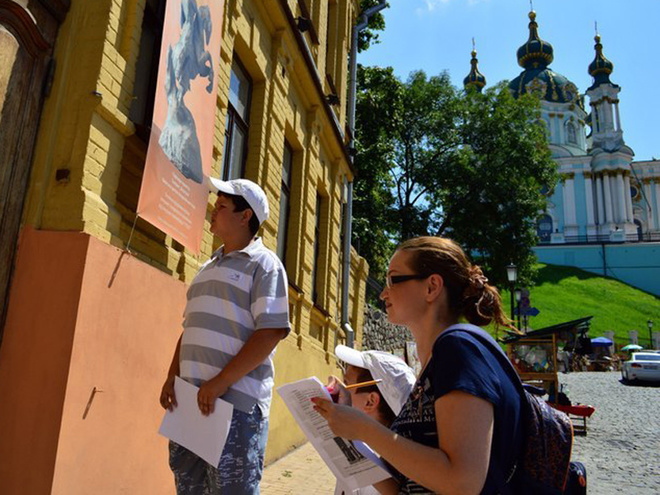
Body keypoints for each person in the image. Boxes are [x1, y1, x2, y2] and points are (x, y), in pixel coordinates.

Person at [312, 236, 524, 494]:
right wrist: (347, 432)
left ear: (432, 287)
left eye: (393, 279)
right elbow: (404, 487)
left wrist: (364, 428)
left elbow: (462, 482)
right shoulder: (434, 362)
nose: (383, 292)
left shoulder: (458, 348)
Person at [159, 178, 290, 495]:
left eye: (221, 206)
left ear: (245, 217)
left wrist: (220, 383)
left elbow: (270, 332)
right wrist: (171, 376)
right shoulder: (207, 267)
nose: (212, 212)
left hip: (236, 409)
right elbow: (190, 328)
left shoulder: (265, 265)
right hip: (190, 404)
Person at [330, 345, 416, 495]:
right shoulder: (362, 444)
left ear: (370, 401)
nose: (340, 390)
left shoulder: (382, 475)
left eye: (347, 383)